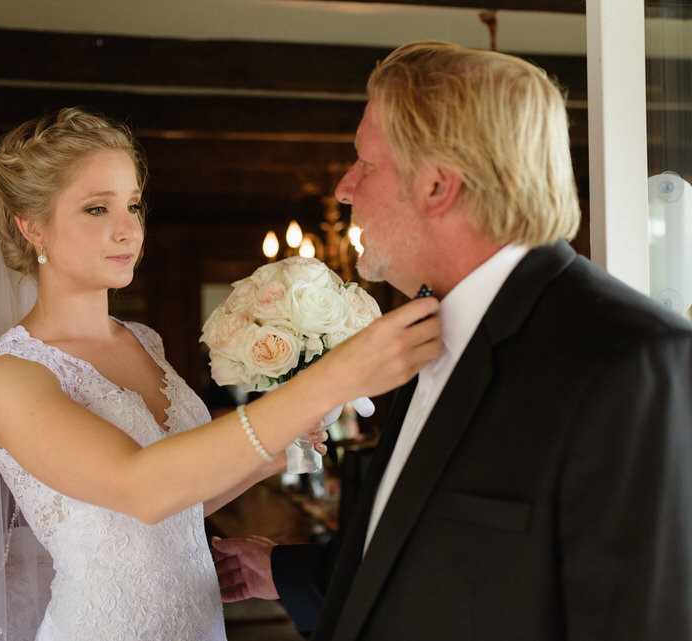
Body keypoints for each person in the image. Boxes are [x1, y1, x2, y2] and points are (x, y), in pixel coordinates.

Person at [212, 40, 692, 641]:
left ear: (437, 186)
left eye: (365, 163)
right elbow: (443, 557)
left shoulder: (631, 360)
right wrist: (285, 572)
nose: (343, 188)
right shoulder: (425, 332)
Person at [0, 107, 443, 641]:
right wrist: (329, 380)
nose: (126, 230)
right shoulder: (4, 372)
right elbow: (139, 488)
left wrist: (271, 457)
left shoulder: (143, 341)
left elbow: (169, 507)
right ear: (32, 228)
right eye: (96, 209)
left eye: (134, 206)